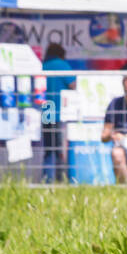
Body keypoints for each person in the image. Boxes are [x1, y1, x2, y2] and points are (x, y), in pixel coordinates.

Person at [41, 42, 76, 183]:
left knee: (49, 150)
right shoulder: (63, 65)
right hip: (62, 113)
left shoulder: (43, 66)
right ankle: (62, 180)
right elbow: (73, 85)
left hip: (46, 111)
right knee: (60, 150)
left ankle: (47, 180)